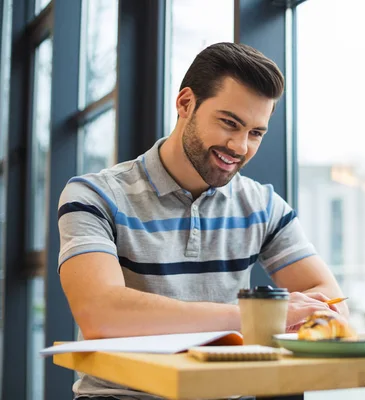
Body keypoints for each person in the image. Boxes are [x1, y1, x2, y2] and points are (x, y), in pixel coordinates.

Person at [57, 42, 348, 400]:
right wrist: (257, 316)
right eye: (229, 123)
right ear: (185, 104)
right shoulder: (94, 196)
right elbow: (101, 314)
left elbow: (331, 301)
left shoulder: (262, 205)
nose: (241, 147)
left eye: (256, 133)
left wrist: (300, 312)